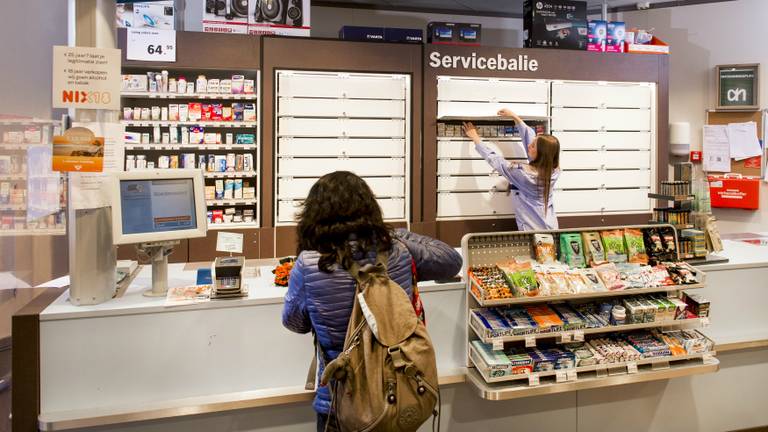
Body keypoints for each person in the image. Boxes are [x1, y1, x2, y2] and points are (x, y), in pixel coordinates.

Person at [281, 171, 462, 432]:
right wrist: (398, 234)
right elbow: (450, 260)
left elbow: (294, 323)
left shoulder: (308, 264)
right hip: (397, 395)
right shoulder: (398, 251)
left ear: (313, 215)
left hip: (340, 401)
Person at [462, 108, 561, 231]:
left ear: (541, 153)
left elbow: (496, 161)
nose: (529, 145)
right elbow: (530, 138)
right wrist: (515, 117)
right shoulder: (553, 170)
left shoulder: (524, 174)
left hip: (533, 233)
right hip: (551, 227)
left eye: (533, 145)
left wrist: (475, 138)